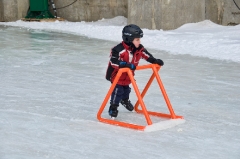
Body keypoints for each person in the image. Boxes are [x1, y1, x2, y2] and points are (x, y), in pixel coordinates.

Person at [105, 24, 164, 118]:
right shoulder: (118, 50)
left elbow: (146, 55)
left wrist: (154, 60)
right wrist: (125, 64)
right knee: (117, 91)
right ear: (129, 39)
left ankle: (124, 100)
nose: (139, 42)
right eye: (137, 39)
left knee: (126, 90)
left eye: (139, 39)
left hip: (128, 76)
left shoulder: (139, 49)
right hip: (117, 76)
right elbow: (113, 62)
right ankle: (113, 107)